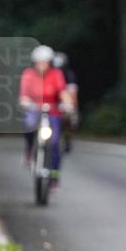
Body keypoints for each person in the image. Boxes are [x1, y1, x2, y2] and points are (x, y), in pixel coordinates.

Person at [19, 45, 73, 188]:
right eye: (39, 62)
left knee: (54, 142)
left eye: (45, 62)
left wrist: (67, 104)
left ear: (50, 62)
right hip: (34, 108)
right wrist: (25, 102)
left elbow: (63, 92)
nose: (42, 65)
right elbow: (23, 95)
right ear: (34, 62)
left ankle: (54, 175)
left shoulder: (56, 74)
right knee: (29, 123)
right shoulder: (28, 74)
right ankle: (29, 150)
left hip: (52, 110)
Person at [52, 52, 79, 153]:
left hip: (64, 102)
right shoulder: (47, 75)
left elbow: (73, 94)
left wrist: (73, 107)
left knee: (68, 119)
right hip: (50, 102)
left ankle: (67, 138)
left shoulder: (69, 76)